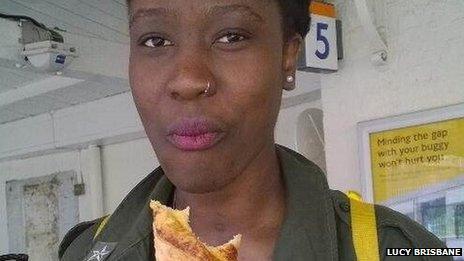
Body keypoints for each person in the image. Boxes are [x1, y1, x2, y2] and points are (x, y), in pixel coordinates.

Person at [59, 0, 450, 260]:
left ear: (287, 56)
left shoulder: (395, 249)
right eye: (155, 39)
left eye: (232, 36)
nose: (188, 80)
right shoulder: (84, 251)